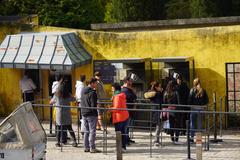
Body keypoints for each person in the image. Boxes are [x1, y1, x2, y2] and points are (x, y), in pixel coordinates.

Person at [50, 79, 77, 147]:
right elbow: (74, 99)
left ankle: (58, 142)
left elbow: (51, 102)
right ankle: (75, 141)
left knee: (59, 128)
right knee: (69, 128)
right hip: (67, 113)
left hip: (59, 113)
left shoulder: (57, 94)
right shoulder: (68, 94)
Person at [81, 77, 101, 153]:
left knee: (86, 131)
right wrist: (97, 108)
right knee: (92, 131)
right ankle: (92, 148)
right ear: (92, 83)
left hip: (84, 112)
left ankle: (86, 147)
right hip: (91, 114)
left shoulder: (83, 90)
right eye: (96, 83)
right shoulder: (93, 92)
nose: (96, 85)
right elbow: (93, 105)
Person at [188, 78, 209, 143]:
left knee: (192, 124)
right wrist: (202, 104)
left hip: (193, 108)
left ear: (194, 83)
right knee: (200, 124)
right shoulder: (203, 90)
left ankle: (191, 138)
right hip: (201, 109)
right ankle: (198, 140)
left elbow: (189, 101)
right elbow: (207, 100)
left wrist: (191, 105)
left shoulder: (192, 90)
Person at [111, 83, 129, 152]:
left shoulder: (117, 96)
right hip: (124, 116)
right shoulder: (122, 94)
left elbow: (116, 108)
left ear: (115, 88)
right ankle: (123, 147)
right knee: (123, 133)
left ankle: (119, 148)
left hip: (119, 117)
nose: (112, 90)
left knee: (118, 133)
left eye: (112, 89)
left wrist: (109, 109)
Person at [121, 76, 137, 145]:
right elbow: (132, 97)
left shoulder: (128, 89)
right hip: (127, 110)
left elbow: (134, 97)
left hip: (129, 110)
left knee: (127, 126)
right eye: (130, 81)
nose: (132, 82)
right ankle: (125, 140)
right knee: (126, 126)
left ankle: (127, 139)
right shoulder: (125, 90)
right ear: (127, 81)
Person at [148, 82, 164, 146]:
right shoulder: (156, 94)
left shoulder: (155, 93)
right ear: (156, 87)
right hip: (157, 111)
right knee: (158, 126)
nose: (161, 88)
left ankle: (156, 140)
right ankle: (156, 141)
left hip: (156, 110)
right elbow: (160, 101)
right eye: (159, 86)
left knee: (159, 126)